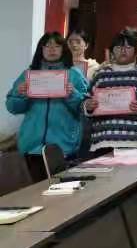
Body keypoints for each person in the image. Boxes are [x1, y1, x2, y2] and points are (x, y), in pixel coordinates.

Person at [6, 32, 88, 178]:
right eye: (47, 45)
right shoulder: (29, 74)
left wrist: (72, 94)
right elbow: (12, 107)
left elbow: (86, 108)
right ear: (41, 49)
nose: (52, 49)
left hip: (63, 147)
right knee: (32, 189)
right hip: (31, 146)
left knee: (60, 190)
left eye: (57, 46)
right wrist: (20, 94)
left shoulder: (74, 74)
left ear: (63, 49)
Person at [84, 29, 137, 152]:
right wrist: (88, 106)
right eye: (118, 47)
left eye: (128, 47)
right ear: (112, 51)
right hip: (103, 141)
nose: (123, 51)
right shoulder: (100, 75)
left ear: (136, 51)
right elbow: (86, 102)